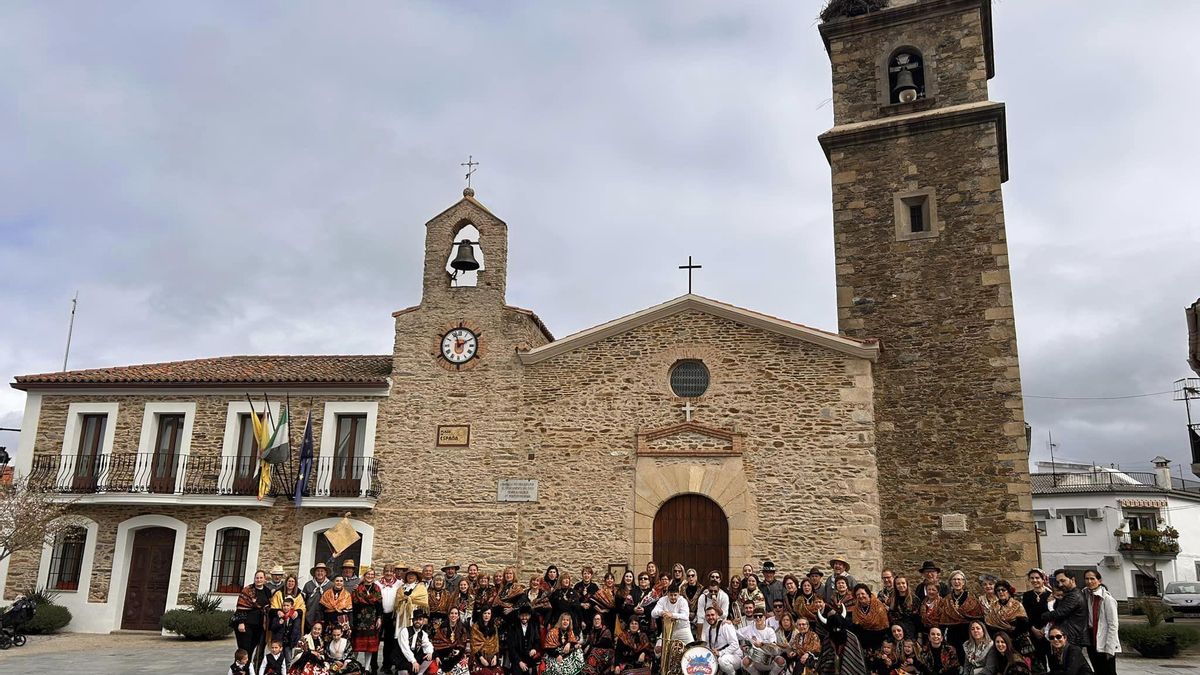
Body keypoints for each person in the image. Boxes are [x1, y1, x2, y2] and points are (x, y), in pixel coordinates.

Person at [940, 571, 984, 662]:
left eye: (959, 579)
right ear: (951, 582)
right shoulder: (946, 600)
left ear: (963, 582)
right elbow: (943, 619)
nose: (957, 582)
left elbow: (978, 617)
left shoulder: (971, 598)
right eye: (954, 579)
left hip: (968, 632)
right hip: (952, 633)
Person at [652, 582, 694, 675]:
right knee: (657, 650)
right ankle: (661, 671)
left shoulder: (683, 601)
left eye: (675, 595)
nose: (673, 597)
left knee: (692, 649)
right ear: (668, 594)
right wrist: (662, 612)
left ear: (679, 594)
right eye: (671, 595)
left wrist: (672, 615)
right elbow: (653, 613)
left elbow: (686, 616)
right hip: (668, 630)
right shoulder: (663, 600)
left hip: (683, 629)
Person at [1081, 571, 1118, 675]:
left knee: (1109, 671)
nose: (1089, 581)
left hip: (1104, 639)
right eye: (1087, 579)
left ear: (1099, 581)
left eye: (1092, 579)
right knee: (1098, 670)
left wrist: (1110, 648)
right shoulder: (1086, 594)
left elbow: (1113, 625)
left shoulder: (1107, 599)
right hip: (1091, 638)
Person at [235, 570, 272, 671]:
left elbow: (269, 607)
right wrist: (241, 622)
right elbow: (240, 606)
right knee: (245, 649)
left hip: (260, 625)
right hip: (247, 624)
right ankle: (241, 670)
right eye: (257, 578)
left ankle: (251, 671)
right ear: (254, 578)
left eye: (261, 578)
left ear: (265, 579)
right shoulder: (247, 590)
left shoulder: (267, 591)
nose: (259, 580)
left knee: (254, 648)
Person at [1040, 571, 1086, 649]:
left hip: (1072, 638)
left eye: (1063, 580)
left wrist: (1043, 616)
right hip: (1069, 636)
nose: (1060, 584)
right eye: (1058, 582)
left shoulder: (1074, 595)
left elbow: (1060, 613)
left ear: (1072, 580)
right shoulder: (1069, 594)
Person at [353, 567, 384, 673]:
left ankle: (366, 668)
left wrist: (379, 618)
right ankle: (353, 665)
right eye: (368, 574)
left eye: (372, 574)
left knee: (369, 647)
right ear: (364, 576)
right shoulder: (357, 588)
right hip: (359, 619)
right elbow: (354, 604)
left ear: (374, 576)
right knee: (356, 645)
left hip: (372, 619)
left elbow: (379, 604)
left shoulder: (376, 588)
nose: (370, 576)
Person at [1020, 570, 1052, 673]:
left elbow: (1053, 613)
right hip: (1033, 632)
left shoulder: (1050, 595)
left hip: (1048, 631)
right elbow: (1025, 614)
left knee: (1052, 659)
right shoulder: (1027, 596)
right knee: (1038, 661)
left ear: (1043, 579)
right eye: (1032, 578)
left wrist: (1044, 629)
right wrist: (1033, 629)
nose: (1035, 580)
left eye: (1037, 578)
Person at [700, 605, 743, 675]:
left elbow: (735, 645)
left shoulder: (725, 625)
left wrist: (720, 653)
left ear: (717, 615)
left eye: (712, 615)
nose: (710, 617)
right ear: (705, 617)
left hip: (735, 656)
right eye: (708, 615)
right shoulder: (707, 630)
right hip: (720, 656)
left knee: (722, 660)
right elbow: (708, 647)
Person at [379, 563, 404, 675]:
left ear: (393, 573)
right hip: (379, 615)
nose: (388, 573)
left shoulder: (399, 584)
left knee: (389, 642)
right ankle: (373, 665)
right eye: (386, 571)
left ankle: (387, 665)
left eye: (390, 571)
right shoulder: (377, 583)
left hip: (392, 615)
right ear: (383, 572)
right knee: (376, 640)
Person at [849, 583, 890, 651]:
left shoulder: (878, 606)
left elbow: (884, 625)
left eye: (862, 593)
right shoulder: (856, 608)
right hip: (863, 641)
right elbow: (855, 625)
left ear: (868, 594)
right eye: (858, 595)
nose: (860, 596)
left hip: (878, 639)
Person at [738, 608, 777, 675]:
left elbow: (774, 647)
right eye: (755, 616)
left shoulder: (770, 630)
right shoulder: (749, 629)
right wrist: (731, 623)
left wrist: (762, 645)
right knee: (745, 661)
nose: (758, 618)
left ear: (764, 617)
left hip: (768, 659)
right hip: (755, 660)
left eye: (760, 616)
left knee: (781, 661)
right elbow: (734, 634)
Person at [434, 607, 470, 675]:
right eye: (452, 613)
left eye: (456, 613)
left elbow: (464, 643)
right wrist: (437, 656)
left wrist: (459, 651)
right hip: (443, 656)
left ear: (458, 616)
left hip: (458, 656)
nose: (454, 615)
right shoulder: (443, 626)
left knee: (464, 669)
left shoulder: (462, 627)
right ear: (449, 615)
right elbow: (437, 643)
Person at [507, 605, 542, 675]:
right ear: (519, 616)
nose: (524, 618)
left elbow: (537, 641)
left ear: (529, 616)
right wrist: (519, 662)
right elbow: (511, 648)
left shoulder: (533, 626)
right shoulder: (513, 627)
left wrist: (534, 649)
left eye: (526, 615)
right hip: (517, 659)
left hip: (530, 658)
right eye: (522, 615)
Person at [268, 596, 303, 664]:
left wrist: (293, 643)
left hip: (289, 643)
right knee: (277, 660)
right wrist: (279, 623)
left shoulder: (295, 617)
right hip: (279, 643)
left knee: (288, 660)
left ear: (291, 606)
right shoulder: (278, 615)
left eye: (287, 605)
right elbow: (272, 628)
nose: (285, 607)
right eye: (284, 605)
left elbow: (296, 630)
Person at [399, 608, 435, 675]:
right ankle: (402, 671)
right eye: (416, 619)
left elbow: (428, 644)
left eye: (420, 619)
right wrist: (414, 661)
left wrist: (430, 652)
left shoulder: (423, 634)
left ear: (423, 621)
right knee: (407, 669)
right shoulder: (405, 631)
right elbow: (405, 649)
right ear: (412, 620)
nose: (418, 621)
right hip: (403, 656)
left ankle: (419, 672)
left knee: (430, 655)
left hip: (414, 656)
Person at [471, 606, 503, 675]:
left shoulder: (494, 627)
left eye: (489, 613)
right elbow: (474, 646)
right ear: (481, 614)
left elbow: (496, 644)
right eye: (485, 613)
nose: (487, 615)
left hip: (491, 657)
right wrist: (481, 659)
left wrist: (495, 657)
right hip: (479, 657)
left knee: (499, 672)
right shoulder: (476, 627)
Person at [582, 610, 615, 675]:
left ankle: (591, 671)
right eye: (594, 619)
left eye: (598, 619)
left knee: (594, 652)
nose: (596, 621)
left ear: (601, 621)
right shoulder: (592, 631)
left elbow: (603, 644)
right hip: (594, 652)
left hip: (607, 654)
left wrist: (590, 647)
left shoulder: (606, 631)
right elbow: (587, 643)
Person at [888, 576, 919, 641]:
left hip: (910, 632)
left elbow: (916, 619)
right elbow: (890, 615)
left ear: (907, 584)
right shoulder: (893, 599)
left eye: (903, 583)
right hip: (897, 632)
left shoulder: (914, 599)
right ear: (895, 586)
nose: (901, 585)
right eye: (898, 584)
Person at [304, 563, 334, 631]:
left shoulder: (331, 586)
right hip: (310, 617)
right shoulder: (308, 585)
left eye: (322, 571)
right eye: (318, 571)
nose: (320, 573)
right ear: (314, 573)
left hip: (325, 617)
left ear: (325, 573)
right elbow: (303, 601)